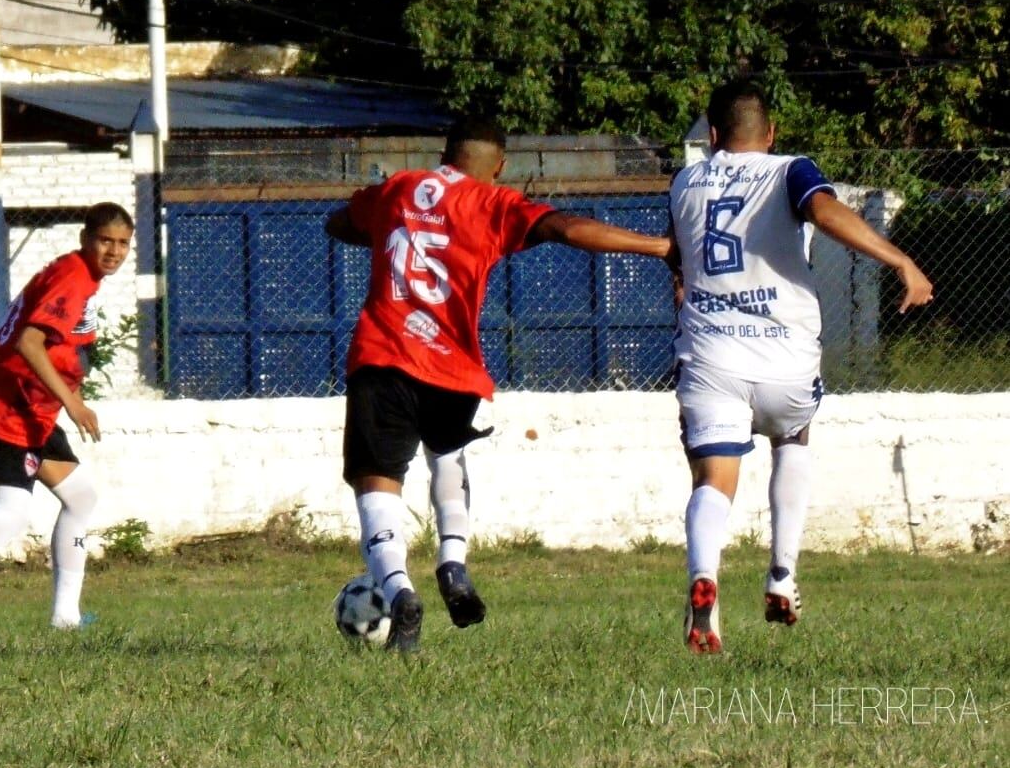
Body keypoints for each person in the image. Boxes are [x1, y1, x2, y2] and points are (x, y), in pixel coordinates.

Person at [325, 116, 673, 652]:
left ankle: (398, 595)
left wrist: (380, 228)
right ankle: (453, 561)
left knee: (377, 487)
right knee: (447, 458)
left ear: (445, 152)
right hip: (452, 367)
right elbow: (568, 229)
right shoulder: (496, 205)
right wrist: (658, 248)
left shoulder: (396, 188)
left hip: (384, 356)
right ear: (500, 166)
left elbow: (340, 223)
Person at [668, 80, 934, 654]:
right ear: (771, 134)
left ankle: (703, 579)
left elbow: (680, 261)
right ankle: (782, 575)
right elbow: (824, 209)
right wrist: (899, 259)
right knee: (793, 436)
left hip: (712, 356)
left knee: (714, 479)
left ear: (712, 136)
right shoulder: (790, 169)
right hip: (784, 356)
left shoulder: (685, 180)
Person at [0, 202, 135, 631]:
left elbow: (66, 347)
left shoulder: (81, 278)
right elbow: (29, 344)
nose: (114, 251)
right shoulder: (72, 278)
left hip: (34, 409)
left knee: (81, 496)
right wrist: (73, 403)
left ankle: (66, 616)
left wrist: (67, 393)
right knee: (12, 510)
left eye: (123, 243)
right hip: (10, 408)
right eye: (105, 240)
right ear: (86, 239)